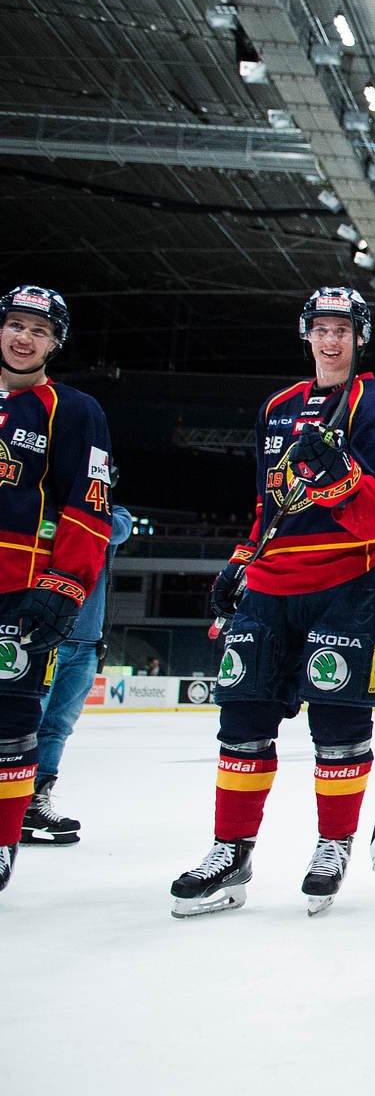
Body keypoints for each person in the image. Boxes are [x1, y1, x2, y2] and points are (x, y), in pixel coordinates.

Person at [169, 288, 375, 916]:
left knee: (338, 725)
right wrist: (240, 561)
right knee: (242, 724)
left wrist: (340, 478)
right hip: (270, 587)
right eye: (320, 329)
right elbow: (264, 508)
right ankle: (231, 850)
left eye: (342, 330)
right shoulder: (277, 408)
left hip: (349, 588)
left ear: (360, 338)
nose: (330, 342)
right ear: (305, 334)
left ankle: (333, 844)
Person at [0, 285, 114, 893]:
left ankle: (4, 837)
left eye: (39, 331)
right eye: (15, 325)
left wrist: (64, 583)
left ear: (56, 343)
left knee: (17, 724)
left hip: (19, 591)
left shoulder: (72, 410)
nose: (24, 338)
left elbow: (90, 506)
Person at [25, 497, 133, 844]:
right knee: (23, 721)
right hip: (44, 633)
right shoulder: (43, 506)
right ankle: (12, 798)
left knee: (57, 727)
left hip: (86, 641)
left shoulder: (111, 514)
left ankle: (35, 801)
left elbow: (118, 529)